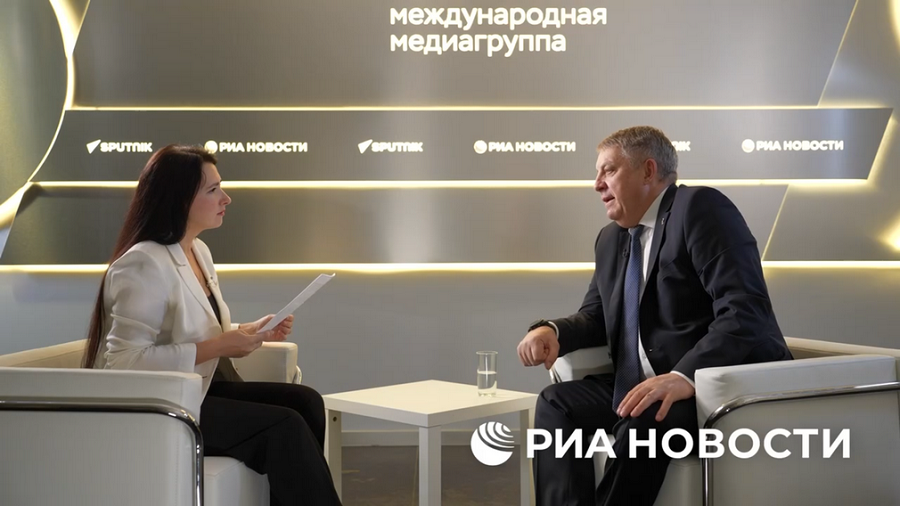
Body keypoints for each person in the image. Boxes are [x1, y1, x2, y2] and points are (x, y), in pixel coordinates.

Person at [517, 126, 792, 505]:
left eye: (608, 170)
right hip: (642, 386)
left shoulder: (699, 208)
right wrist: (552, 331)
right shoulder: (611, 238)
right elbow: (596, 317)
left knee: (646, 418)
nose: (597, 184)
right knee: (556, 403)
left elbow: (745, 309)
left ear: (648, 171)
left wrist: (684, 376)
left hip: (714, 387)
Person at [82, 144, 341, 506]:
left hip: (203, 389)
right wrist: (221, 346)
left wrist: (250, 332)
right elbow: (125, 363)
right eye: (213, 190)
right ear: (180, 198)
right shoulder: (142, 263)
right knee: (285, 425)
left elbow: (195, 328)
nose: (226, 198)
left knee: (306, 402)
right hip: (161, 405)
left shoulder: (198, 251)